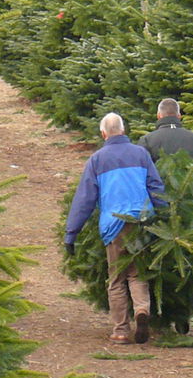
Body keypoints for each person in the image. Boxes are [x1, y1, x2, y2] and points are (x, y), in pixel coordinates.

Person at [63, 113, 166, 344]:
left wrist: (71, 234)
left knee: (117, 278)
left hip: (114, 226)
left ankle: (120, 330)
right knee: (138, 273)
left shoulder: (97, 160)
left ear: (103, 134)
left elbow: (84, 199)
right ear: (123, 130)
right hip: (141, 222)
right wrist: (166, 216)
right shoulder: (141, 154)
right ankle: (141, 310)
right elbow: (155, 186)